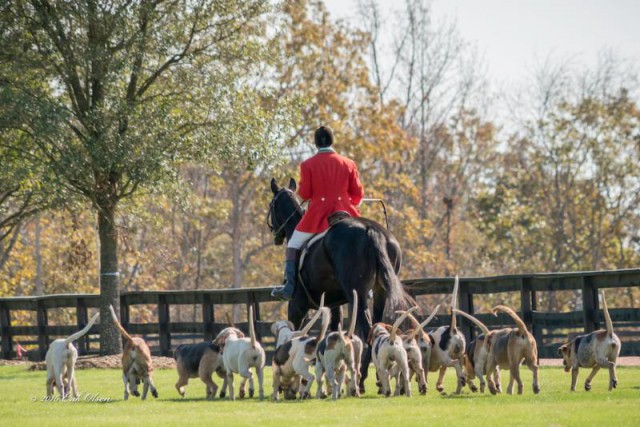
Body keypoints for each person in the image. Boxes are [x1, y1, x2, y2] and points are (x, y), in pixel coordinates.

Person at [271, 126, 364, 301]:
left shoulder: (308, 165)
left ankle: (289, 287)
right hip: (346, 212)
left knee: (293, 245)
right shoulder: (349, 163)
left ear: (315, 143)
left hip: (319, 216)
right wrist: (350, 203)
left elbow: (304, 194)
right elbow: (358, 194)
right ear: (332, 141)